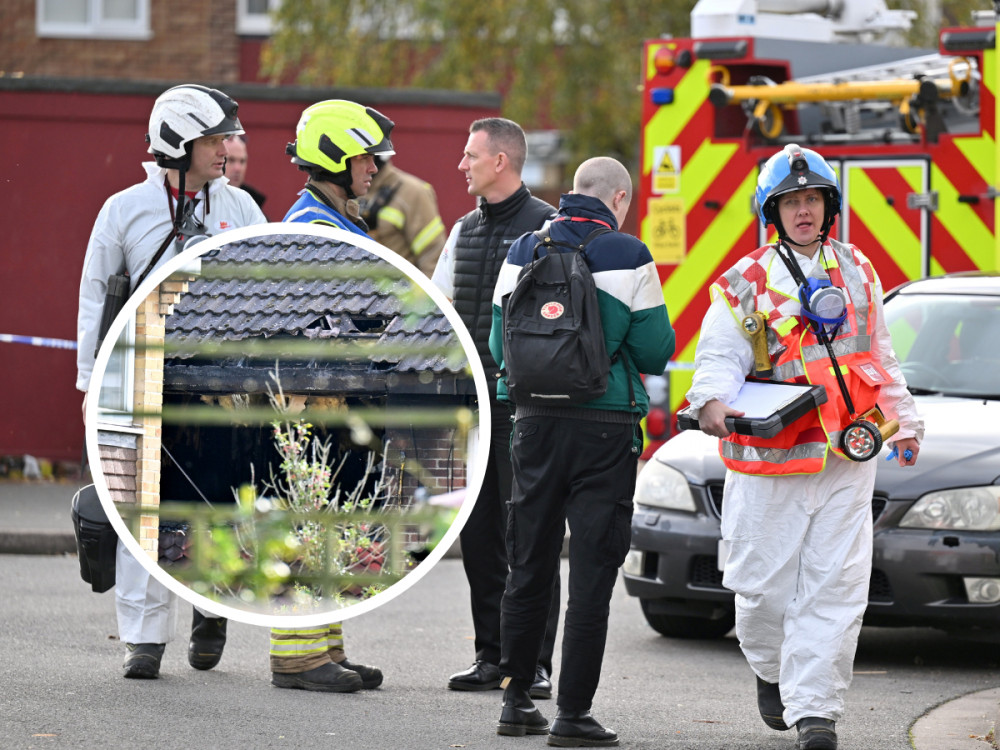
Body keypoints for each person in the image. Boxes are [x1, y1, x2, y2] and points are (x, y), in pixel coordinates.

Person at [685, 144, 923, 750]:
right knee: (761, 589)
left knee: (836, 587)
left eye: (813, 199)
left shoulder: (859, 269)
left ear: (828, 206)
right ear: (773, 210)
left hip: (847, 455)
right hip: (773, 460)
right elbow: (718, 355)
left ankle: (816, 712)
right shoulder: (748, 280)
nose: (804, 211)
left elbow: (879, 351)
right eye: (792, 202)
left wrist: (905, 418)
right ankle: (770, 668)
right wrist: (710, 400)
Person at [76, 83, 267, 679]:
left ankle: (211, 609)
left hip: (220, 384)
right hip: (140, 380)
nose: (227, 147)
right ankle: (143, 638)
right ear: (178, 142)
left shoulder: (241, 209)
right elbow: (94, 299)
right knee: (141, 506)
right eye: (214, 138)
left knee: (218, 501)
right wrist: (90, 385)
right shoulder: (124, 209)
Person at [489, 156, 674, 746]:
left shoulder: (522, 248)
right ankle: (572, 714)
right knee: (592, 573)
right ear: (617, 199)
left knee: (528, 564)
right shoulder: (628, 252)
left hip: (533, 423)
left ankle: (516, 699)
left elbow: (499, 340)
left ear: (572, 194)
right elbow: (653, 351)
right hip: (603, 429)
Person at [431, 118, 560, 700]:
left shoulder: (550, 229)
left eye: (470, 155)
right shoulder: (462, 230)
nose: (462, 164)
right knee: (480, 538)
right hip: (472, 409)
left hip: (525, 409)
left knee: (528, 538)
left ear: (501, 161)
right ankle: (492, 657)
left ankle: (533, 663)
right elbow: (437, 311)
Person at [269, 98, 394, 693]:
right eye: (367, 159)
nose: (375, 169)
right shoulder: (315, 228)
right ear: (336, 158)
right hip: (311, 407)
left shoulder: (335, 220)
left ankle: (325, 648)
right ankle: (296, 658)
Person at [358, 155, 446, 276]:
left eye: (363, 157)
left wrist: (423, 295)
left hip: (399, 291)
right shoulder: (346, 191)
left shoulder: (413, 192)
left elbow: (433, 257)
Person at [224, 133, 267, 209]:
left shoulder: (253, 204)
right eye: (231, 160)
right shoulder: (201, 199)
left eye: (242, 161)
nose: (238, 168)